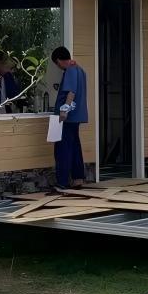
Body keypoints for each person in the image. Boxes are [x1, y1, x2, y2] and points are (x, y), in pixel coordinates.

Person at [51, 45, 88, 190]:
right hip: (76, 116)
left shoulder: (71, 70)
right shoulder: (79, 69)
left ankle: (62, 182)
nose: (58, 67)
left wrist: (64, 110)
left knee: (62, 149)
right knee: (74, 147)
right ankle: (78, 178)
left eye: (56, 63)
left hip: (67, 117)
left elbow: (71, 91)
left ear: (59, 60)